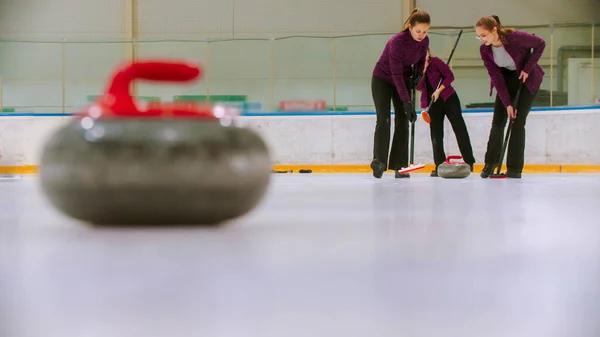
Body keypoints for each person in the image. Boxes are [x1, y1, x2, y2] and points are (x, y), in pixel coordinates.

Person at [475, 15, 546, 179]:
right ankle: (490, 163)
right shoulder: (485, 50)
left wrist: (527, 69)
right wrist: (507, 103)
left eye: (484, 35)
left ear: (494, 30)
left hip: (526, 79)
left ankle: (514, 168)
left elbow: (540, 43)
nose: (481, 39)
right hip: (506, 80)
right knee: (498, 121)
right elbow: (497, 77)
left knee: (518, 121)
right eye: (478, 36)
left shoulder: (515, 38)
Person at [370, 8, 430, 179]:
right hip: (382, 79)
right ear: (410, 27)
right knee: (384, 118)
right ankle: (379, 161)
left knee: (403, 120)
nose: (421, 35)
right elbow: (396, 74)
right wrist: (407, 102)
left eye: (425, 31)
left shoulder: (424, 41)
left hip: (402, 80)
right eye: (418, 31)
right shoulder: (397, 42)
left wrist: (418, 74)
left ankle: (400, 164)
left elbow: (420, 59)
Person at [417, 48, 476, 176]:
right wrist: (422, 72)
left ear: (428, 51)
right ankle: (439, 165)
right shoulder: (416, 69)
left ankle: (469, 162)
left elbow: (450, 76)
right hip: (433, 104)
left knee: (459, 129)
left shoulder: (436, 62)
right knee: (436, 134)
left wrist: (439, 90)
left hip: (448, 98)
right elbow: (418, 87)